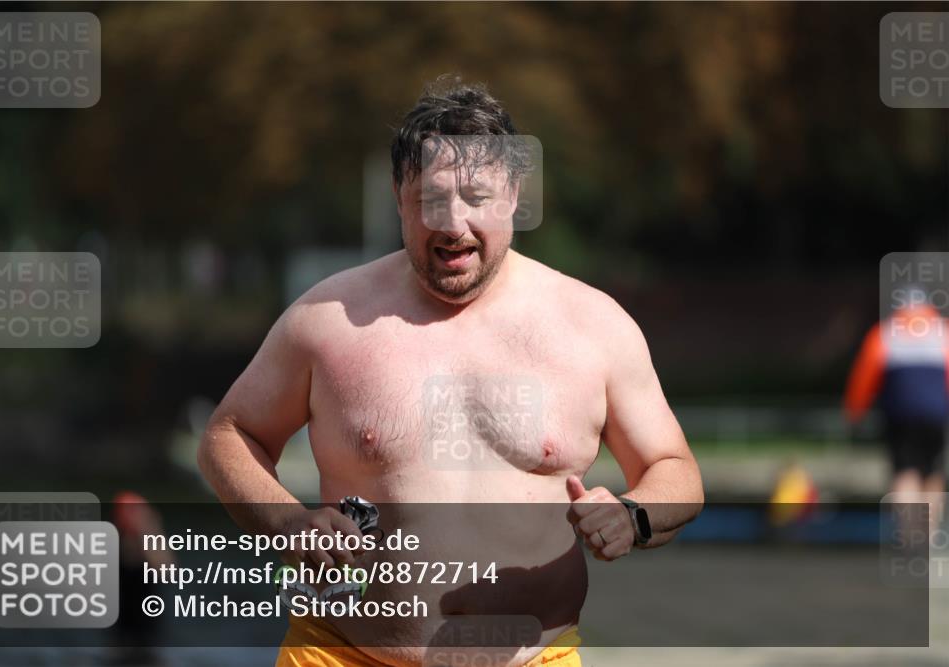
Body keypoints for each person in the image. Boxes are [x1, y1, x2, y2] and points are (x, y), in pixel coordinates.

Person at [198, 76, 703, 667]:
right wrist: (290, 524)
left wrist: (635, 517)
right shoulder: (326, 319)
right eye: (431, 199)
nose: (453, 223)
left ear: (514, 193)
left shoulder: (594, 326)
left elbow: (675, 470)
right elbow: (228, 436)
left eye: (476, 197)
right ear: (398, 196)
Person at [844, 286, 948, 521]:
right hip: (935, 414)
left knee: (905, 471)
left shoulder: (884, 333)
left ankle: (911, 536)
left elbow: (864, 379)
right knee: (932, 471)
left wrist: (854, 413)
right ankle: (928, 537)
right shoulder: (943, 332)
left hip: (900, 415)